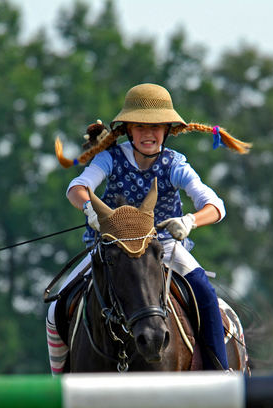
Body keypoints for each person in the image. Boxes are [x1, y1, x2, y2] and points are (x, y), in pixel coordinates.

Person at [46, 82, 250, 375]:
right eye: (140, 127)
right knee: (57, 309)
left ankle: (219, 372)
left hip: (161, 246)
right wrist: (89, 209)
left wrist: (189, 221)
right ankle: (59, 385)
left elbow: (216, 206)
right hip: (112, 249)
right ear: (128, 129)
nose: (149, 134)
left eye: (156, 127)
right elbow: (77, 187)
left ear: (167, 130)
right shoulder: (110, 157)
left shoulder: (174, 164)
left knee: (204, 293)